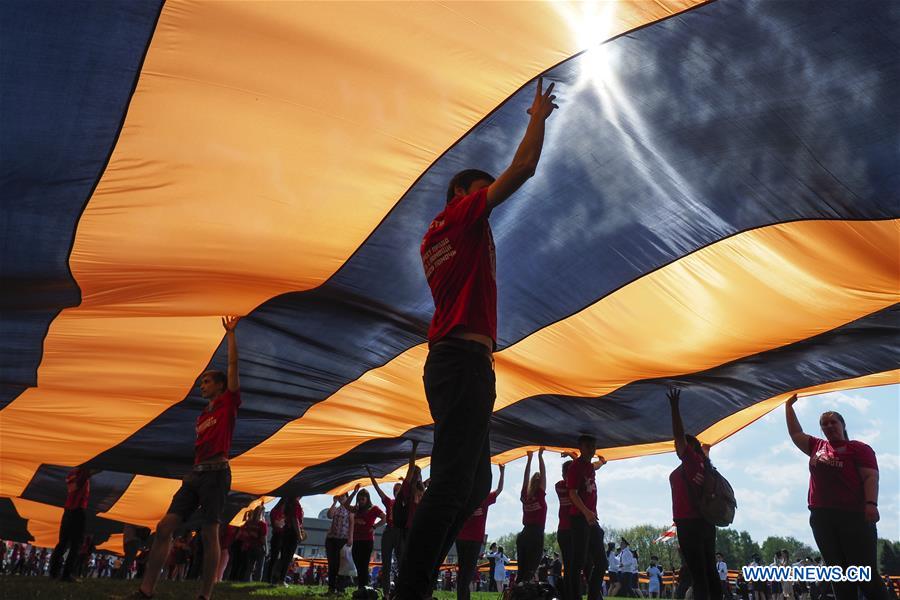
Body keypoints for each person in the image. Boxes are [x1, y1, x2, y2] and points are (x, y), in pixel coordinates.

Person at [395, 76, 559, 600]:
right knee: (450, 483)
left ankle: (416, 578)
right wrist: (536, 118)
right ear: (463, 195)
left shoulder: (440, 237)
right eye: (482, 191)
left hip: (460, 363)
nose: (490, 199)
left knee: (476, 484)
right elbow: (523, 170)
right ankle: (412, 588)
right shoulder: (457, 219)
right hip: (461, 363)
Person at [133, 315, 242, 600]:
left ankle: (205, 595)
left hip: (217, 474)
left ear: (220, 385)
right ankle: (146, 591)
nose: (202, 385)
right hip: (195, 475)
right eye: (202, 382)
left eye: (207, 381)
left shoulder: (228, 403)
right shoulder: (202, 415)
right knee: (164, 527)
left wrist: (231, 335)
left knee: (209, 534)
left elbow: (233, 367)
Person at [784, 395, 886, 600]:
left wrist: (871, 504)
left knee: (864, 572)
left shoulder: (859, 448)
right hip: (822, 517)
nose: (829, 426)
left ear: (843, 425)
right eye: (824, 424)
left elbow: (871, 477)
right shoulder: (817, 446)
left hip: (853, 516)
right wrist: (788, 407)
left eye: (833, 422)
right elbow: (796, 433)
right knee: (837, 573)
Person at [668, 387, 721, 600]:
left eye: (678, 445)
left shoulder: (690, 460)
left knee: (699, 575)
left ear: (689, 447)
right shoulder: (702, 463)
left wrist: (674, 407)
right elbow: (703, 451)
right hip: (705, 523)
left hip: (690, 523)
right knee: (709, 571)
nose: (675, 447)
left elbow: (679, 435)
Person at [564, 435, 609, 600]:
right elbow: (572, 494)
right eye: (588, 446)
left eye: (594, 446)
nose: (592, 449)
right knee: (578, 562)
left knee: (602, 562)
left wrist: (602, 463)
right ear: (581, 447)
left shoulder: (589, 466)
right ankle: (575, 597)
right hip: (579, 518)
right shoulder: (575, 467)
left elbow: (594, 466)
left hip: (590, 519)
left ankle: (593, 596)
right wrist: (586, 511)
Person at [455, 464, 504, 600]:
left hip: (465, 538)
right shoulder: (480, 497)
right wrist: (502, 472)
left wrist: (502, 472)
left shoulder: (476, 497)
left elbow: (499, 490)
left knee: (464, 571)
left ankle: (463, 597)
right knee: (467, 571)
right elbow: (499, 489)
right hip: (470, 539)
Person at [49, 465, 95, 582]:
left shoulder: (74, 473)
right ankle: (65, 574)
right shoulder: (79, 473)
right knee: (75, 544)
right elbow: (73, 487)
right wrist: (85, 474)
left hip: (69, 511)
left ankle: (54, 573)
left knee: (63, 543)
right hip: (76, 511)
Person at [365, 465, 402, 594]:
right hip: (389, 532)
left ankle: (399, 592)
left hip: (400, 532)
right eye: (396, 490)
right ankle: (386, 593)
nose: (398, 492)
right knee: (386, 564)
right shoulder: (389, 502)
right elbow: (377, 489)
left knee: (401, 563)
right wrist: (371, 474)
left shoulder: (406, 503)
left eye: (400, 490)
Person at [342, 488, 385, 590]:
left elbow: (385, 518)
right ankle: (362, 587)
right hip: (356, 540)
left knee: (364, 564)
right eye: (359, 499)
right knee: (357, 563)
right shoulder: (356, 509)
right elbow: (346, 505)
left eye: (363, 499)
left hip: (367, 540)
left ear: (367, 499)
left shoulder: (374, 509)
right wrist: (354, 492)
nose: (361, 502)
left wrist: (374, 526)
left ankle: (363, 588)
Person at [517, 448, 547, 584]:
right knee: (530, 572)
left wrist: (529, 459)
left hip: (524, 535)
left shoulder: (525, 495)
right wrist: (540, 456)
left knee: (521, 572)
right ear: (540, 482)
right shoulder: (540, 494)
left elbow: (525, 475)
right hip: (536, 535)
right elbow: (544, 473)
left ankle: (516, 595)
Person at [326, 486, 358, 593]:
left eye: (343, 495)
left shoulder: (350, 509)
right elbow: (329, 515)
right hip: (332, 538)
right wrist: (334, 503)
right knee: (332, 564)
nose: (341, 497)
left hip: (343, 539)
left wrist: (350, 538)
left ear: (347, 496)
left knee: (342, 564)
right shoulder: (336, 508)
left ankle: (340, 588)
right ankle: (331, 587)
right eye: (339, 496)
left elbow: (352, 523)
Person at [269, 496, 305, 586]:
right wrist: (299, 534)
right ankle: (281, 579)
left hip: (286, 531)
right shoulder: (295, 504)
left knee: (284, 557)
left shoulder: (288, 504)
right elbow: (295, 519)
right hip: (292, 532)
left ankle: (275, 579)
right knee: (288, 557)